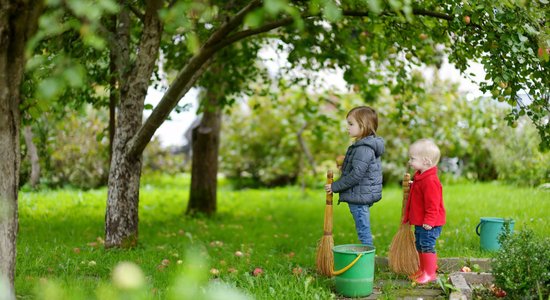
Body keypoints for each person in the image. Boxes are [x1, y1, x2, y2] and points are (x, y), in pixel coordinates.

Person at [325, 106, 385, 247]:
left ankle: (367, 257)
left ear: (363, 126)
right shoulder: (362, 146)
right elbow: (359, 168)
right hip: (361, 192)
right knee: (362, 226)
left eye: (351, 124)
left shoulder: (363, 148)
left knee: (363, 229)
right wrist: (344, 166)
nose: (348, 127)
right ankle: (366, 255)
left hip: (359, 195)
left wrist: (335, 187)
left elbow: (356, 175)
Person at [403, 138, 446, 284]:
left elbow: (433, 204)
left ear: (426, 161)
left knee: (427, 245)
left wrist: (430, 221)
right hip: (421, 221)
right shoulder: (421, 177)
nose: (410, 161)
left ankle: (430, 273)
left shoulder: (430, 181)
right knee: (420, 245)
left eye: (413, 158)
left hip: (429, 223)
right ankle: (423, 270)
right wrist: (413, 185)